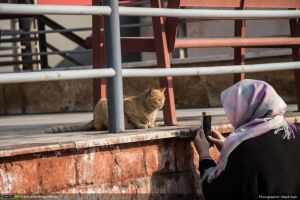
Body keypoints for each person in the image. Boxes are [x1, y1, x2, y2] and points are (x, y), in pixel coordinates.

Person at [194, 79, 300, 200]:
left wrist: (204, 156)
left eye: (234, 110)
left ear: (246, 109)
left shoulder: (245, 150)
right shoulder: (294, 133)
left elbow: (219, 191)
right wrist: (229, 149)